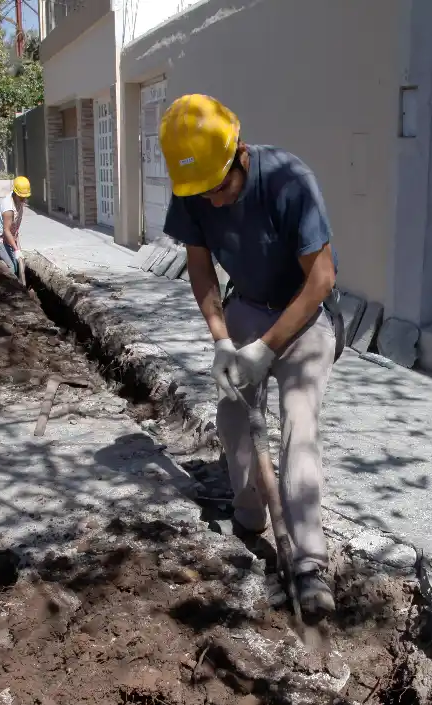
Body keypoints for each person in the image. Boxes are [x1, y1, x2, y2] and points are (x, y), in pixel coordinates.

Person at [159, 94, 339, 615]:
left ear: (239, 154)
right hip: (248, 308)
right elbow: (199, 267)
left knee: (298, 424)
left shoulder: (288, 180)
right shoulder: (194, 183)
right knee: (234, 415)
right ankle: (249, 513)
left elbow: (321, 280)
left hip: (305, 314)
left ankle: (308, 559)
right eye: (202, 193)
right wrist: (221, 339)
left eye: (220, 189)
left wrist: (265, 350)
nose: (212, 202)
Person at [0, 175, 31, 278]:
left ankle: (20, 286)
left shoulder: (19, 200)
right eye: (21, 196)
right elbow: (6, 231)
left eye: (25, 196)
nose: (24, 198)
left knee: (19, 265)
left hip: (10, 236)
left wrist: (18, 246)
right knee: (12, 268)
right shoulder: (8, 207)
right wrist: (16, 250)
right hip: (0, 239)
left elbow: (15, 228)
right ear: (15, 192)